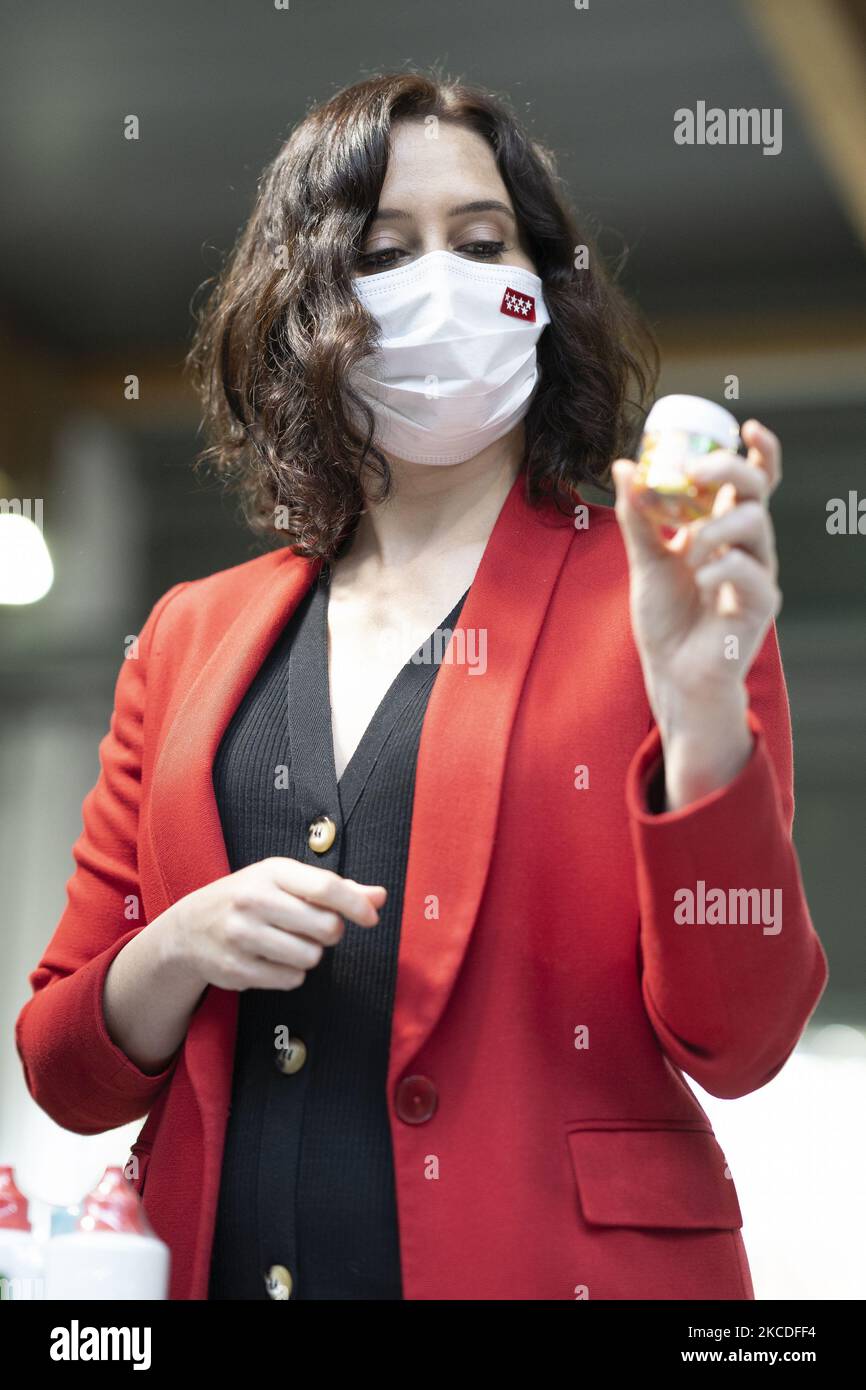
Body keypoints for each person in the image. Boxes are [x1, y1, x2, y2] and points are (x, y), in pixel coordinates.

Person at [16, 71, 827, 1301]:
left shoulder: (663, 592)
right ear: (309, 307)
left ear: (540, 288)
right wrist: (176, 946)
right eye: (385, 250)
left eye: (481, 239)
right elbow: (64, 1066)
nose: (442, 279)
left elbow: (743, 1042)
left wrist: (701, 706)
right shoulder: (189, 633)